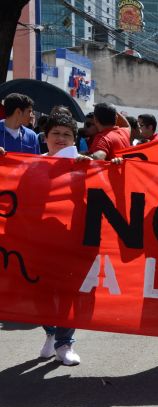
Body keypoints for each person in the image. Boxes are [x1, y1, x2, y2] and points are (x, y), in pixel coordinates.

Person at [0, 112, 92, 364]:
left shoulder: (84, 164)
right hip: (37, 241)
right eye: (56, 134)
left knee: (66, 293)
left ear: (74, 139)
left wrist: (111, 166)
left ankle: (65, 343)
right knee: (38, 293)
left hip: (70, 240)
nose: (61, 139)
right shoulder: (32, 164)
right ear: (46, 137)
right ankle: (51, 333)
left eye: (67, 135)